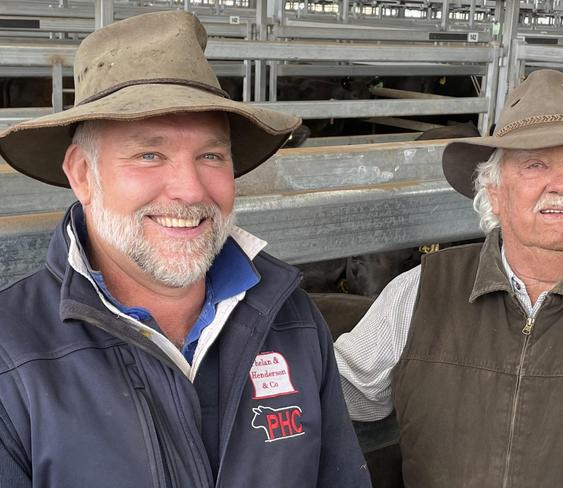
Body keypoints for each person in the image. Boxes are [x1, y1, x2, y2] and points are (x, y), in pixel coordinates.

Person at [0, 11, 370, 488]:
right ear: (82, 174)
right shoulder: (12, 354)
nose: (191, 191)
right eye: (149, 154)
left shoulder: (291, 318)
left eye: (211, 155)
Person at [335, 69, 563, 487]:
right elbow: (336, 391)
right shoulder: (420, 291)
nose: (562, 183)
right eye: (535, 164)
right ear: (495, 191)